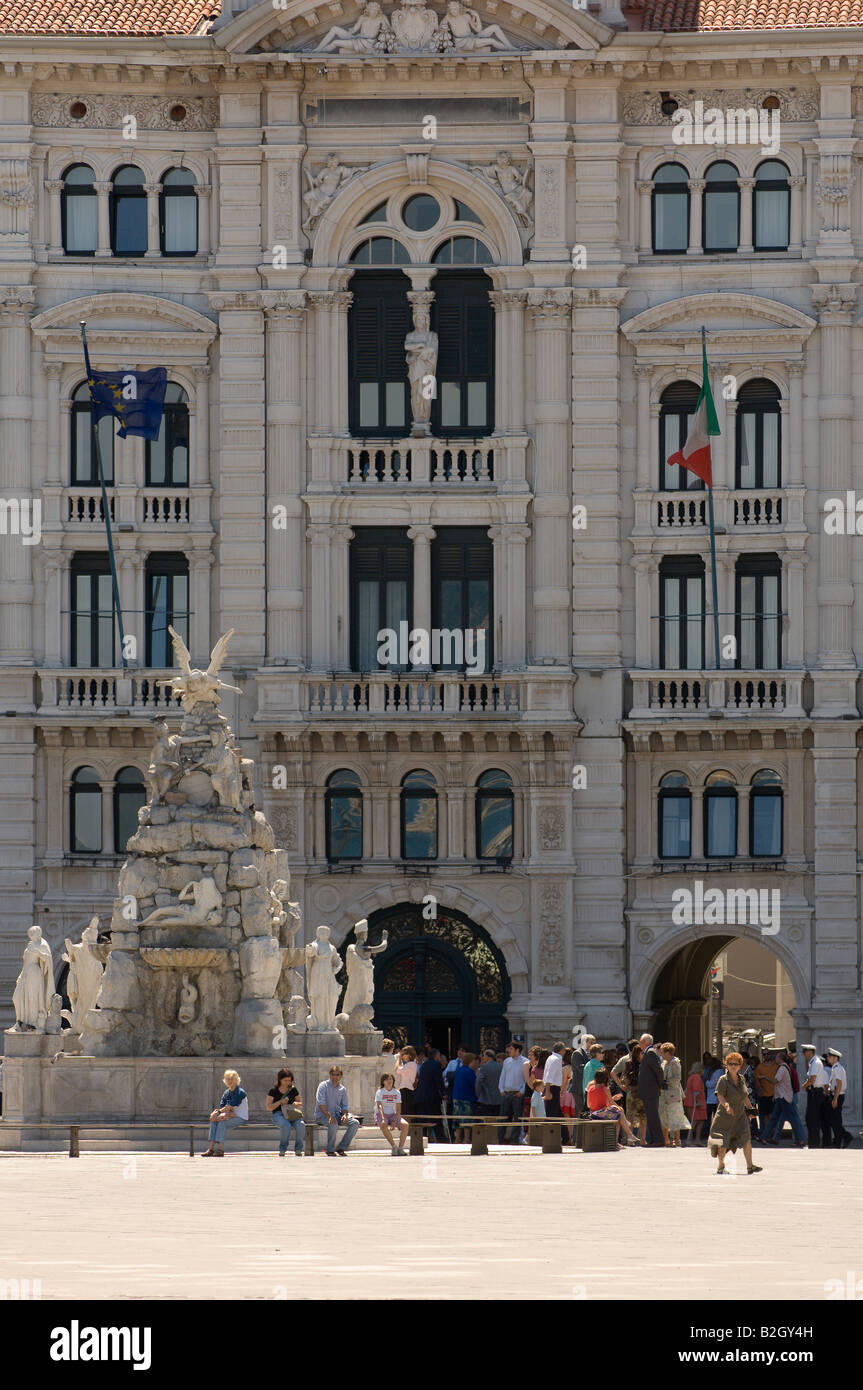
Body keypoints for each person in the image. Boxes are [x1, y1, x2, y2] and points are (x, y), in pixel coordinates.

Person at [709, 1052, 762, 1176]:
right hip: (725, 1117)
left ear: (740, 1065)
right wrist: (727, 1106)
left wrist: (750, 1108)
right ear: (726, 1065)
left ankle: (750, 1166)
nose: (733, 1066)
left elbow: (744, 1096)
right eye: (730, 1064)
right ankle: (721, 1166)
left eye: (736, 1064)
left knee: (746, 1139)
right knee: (723, 1142)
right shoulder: (723, 1080)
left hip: (740, 1116)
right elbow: (720, 1095)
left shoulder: (741, 1078)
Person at [760, 1051, 806, 1147]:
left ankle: (801, 1139)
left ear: (780, 1059)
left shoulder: (782, 1068)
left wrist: (764, 1077)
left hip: (784, 1098)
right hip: (781, 1097)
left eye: (776, 1057)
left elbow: (775, 1081)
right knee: (776, 1118)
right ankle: (765, 1137)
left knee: (793, 1119)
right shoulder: (785, 1067)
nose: (775, 1059)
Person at [586, 1067, 638, 1149]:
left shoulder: (590, 1088)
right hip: (601, 1114)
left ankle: (622, 1136)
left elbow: (588, 1105)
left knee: (618, 1114)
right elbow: (611, 1103)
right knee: (619, 1112)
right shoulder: (605, 1089)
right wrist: (617, 1105)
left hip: (592, 1113)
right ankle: (628, 1134)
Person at [315, 1065, 360, 1156]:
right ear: (330, 1075)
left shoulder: (342, 1089)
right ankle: (330, 1149)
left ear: (340, 1076)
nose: (335, 1077)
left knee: (355, 1123)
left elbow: (344, 1106)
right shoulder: (323, 1086)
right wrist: (329, 1116)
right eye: (333, 1074)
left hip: (336, 1115)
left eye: (337, 1075)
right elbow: (321, 1103)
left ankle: (341, 1147)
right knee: (333, 1123)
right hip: (323, 1115)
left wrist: (345, 1115)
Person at [202, 1069, 249, 1157]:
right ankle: (211, 1148)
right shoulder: (226, 1093)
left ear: (237, 1080)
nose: (230, 1081)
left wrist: (219, 1113)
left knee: (221, 1123)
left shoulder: (240, 1092)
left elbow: (229, 1106)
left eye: (232, 1079)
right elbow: (222, 1106)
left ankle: (220, 1149)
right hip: (230, 1115)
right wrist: (216, 1115)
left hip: (240, 1117)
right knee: (213, 1121)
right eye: (228, 1079)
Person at [265, 1067, 306, 1157]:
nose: (288, 1083)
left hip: (291, 1113)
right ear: (280, 1080)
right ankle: (282, 1149)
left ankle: (298, 1149)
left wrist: (296, 1103)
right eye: (285, 1080)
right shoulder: (273, 1091)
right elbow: (268, 1107)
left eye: (289, 1080)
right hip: (278, 1114)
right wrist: (280, 1102)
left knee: (301, 1125)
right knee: (285, 1125)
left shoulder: (293, 1089)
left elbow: (300, 1102)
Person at [658, 1042, 690, 1146]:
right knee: (664, 1115)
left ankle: (677, 1140)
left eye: (662, 1052)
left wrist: (666, 1081)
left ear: (668, 1052)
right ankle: (666, 1140)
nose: (661, 1054)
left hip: (673, 1093)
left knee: (675, 1115)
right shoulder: (664, 1063)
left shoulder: (675, 1062)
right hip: (663, 1093)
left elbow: (677, 1077)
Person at [636, 1033, 665, 1147]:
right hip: (649, 1090)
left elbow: (659, 1071)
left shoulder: (650, 1053)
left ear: (644, 1042)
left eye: (640, 1041)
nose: (639, 1044)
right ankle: (655, 1139)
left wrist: (658, 1085)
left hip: (650, 1091)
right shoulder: (649, 1052)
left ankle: (658, 1140)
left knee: (653, 1116)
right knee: (651, 1115)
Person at [413, 1046, 446, 1141]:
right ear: (436, 1056)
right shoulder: (436, 1064)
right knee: (436, 1119)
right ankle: (441, 1139)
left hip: (421, 1096)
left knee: (422, 1120)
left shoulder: (424, 1065)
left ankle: (420, 1138)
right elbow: (438, 1080)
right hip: (432, 1097)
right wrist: (443, 1092)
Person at [616, 1044, 647, 1145]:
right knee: (631, 1117)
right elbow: (623, 1077)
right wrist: (622, 1086)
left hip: (641, 1092)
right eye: (641, 1052)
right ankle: (630, 1140)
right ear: (637, 1053)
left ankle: (642, 1139)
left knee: (643, 1117)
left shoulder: (645, 1063)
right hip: (633, 1092)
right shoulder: (629, 1063)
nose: (643, 1054)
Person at [498, 1040, 527, 1144]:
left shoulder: (525, 1062)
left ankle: (514, 1140)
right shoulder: (506, 1061)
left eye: (511, 1049)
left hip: (517, 1094)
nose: (508, 1051)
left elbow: (526, 1079)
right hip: (507, 1093)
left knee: (517, 1119)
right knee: (503, 1118)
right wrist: (501, 1089)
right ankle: (500, 1139)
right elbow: (503, 1076)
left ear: (517, 1050)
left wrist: (522, 1091)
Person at [801, 1043, 829, 1149]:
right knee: (811, 1118)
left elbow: (812, 1079)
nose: (804, 1054)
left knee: (812, 1118)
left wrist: (804, 1085)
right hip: (814, 1092)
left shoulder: (815, 1063)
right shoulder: (813, 1062)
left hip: (815, 1093)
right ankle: (813, 1141)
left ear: (809, 1052)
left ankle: (814, 1143)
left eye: (804, 1052)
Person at [825, 1048, 854, 1149]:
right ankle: (840, 1139)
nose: (828, 1058)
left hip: (838, 1095)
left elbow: (839, 1084)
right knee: (835, 1120)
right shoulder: (836, 1067)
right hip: (836, 1095)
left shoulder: (837, 1068)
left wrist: (835, 1099)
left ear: (835, 1058)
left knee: (835, 1120)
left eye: (829, 1057)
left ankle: (845, 1137)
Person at [375, 1072, 409, 1155]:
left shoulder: (397, 1092)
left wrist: (394, 1120)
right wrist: (383, 1119)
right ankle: (394, 1146)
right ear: (383, 1081)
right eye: (386, 1079)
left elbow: (398, 1109)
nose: (389, 1081)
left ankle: (400, 1148)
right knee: (383, 1124)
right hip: (381, 1114)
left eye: (390, 1079)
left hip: (392, 1114)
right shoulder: (380, 1092)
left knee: (405, 1125)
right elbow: (379, 1106)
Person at [475, 1047, 503, 1143]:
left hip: (486, 1098)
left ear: (487, 1056)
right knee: (496, 1120)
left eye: (484, 1056)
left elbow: (478, 1082)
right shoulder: (501, 1067)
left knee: (486, 1120)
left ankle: (486, 1139)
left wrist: (478, 1094)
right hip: (499, 1098)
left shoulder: (484, 1067)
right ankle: (495, 1138)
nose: (483, 1058)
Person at [543, 1041, 567, 1143]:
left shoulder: (551, 1057)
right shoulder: (557, 1059)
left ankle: (565, 1137)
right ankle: (551, 1137)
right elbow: (549, 1076)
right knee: (552, 1114)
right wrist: (548, 1092)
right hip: (552, 1088)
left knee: (557, 1114)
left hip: (552, 1088)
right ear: (562, 1050)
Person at [753, 1050, 779, 1140]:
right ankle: (768, 1133)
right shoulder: (759, 1067)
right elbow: (756, 1080)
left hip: (774, 1095)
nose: (766, 1056)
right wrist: (759, 1090)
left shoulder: (776, 1066)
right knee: (765, 1116)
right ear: (763, 1056)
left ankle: (774, 1133)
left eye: (768, 1054)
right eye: (764, 1054)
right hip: (764, 1095)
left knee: (774, 1115)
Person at [567, 1032, 595, 1116]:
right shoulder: (577, 1053)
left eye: (593, 1043)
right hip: (578, 1087)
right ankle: (577, 1129)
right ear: (584, 1042)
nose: (593, 1045)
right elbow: (581, 1069)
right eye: (591, 1042)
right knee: (581, 1111)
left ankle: (578, 1129)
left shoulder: (590, 1054)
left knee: (581, 1112)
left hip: (585, 1086)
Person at [683, 1062, 707, 1146]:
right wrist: (697, 1101)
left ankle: (697, 1140)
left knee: (700, 1121)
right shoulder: (696, 1077)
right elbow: (696, 1091)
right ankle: (690, 1139)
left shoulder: (692, 1077)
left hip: (693, 1102)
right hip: (696, 1103)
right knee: (695, 1121)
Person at [395, 1044, 418, 1117]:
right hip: (406, 1090)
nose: (402, 1056)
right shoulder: (411, 1064)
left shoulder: (411, 1064)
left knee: (405, 1112)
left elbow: (397, 1070)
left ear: (409, 1055)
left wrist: (398, 1059)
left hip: (406, 1090)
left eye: (403, 1054)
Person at [705, 1056, 724, 1135]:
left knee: (710, 1117)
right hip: (714, 1098)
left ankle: (710, 1132)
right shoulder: (720, 1072)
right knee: (715, 1116)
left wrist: (707, 1081)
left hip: (712, 1098)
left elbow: (711, 1084)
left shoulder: (717, 1073)